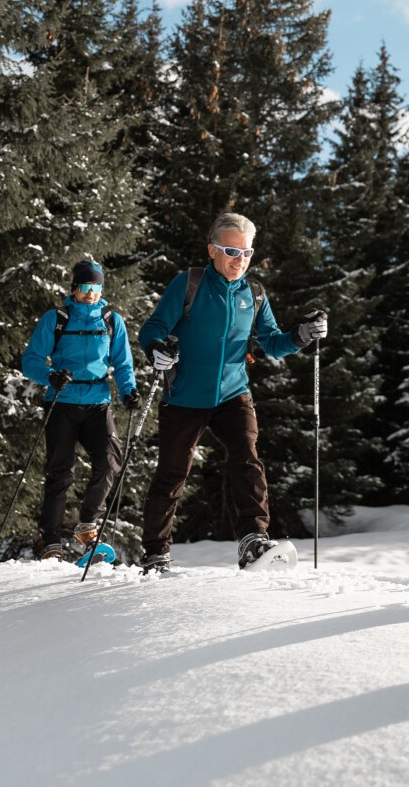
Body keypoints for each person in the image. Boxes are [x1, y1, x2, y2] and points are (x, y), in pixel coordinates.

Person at [137, 212, 327, 573]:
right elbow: (154, 326)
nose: (239, 260)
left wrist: (302, 335)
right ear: (212, 250)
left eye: (247, 253)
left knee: (247, 457)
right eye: (230, 251)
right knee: (173, 473)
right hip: (184, 396)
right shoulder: (189, 283)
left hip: (233, 394)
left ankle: (254, 541)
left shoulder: (253, 294)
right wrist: (157, 347)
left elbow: (272, 342)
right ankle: (155, 553)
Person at [21, 260, 139, 560]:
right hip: (62, 402)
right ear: (74, 288)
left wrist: (128, 393)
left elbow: (123, 364)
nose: (91, 294)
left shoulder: (112, 320)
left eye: (96, 288)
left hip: (97, 403)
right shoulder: (57, 318)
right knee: (60, 472)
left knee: (110, 462)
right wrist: (50, 376)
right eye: (85, 287)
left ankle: (87, 525)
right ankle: (51, 541)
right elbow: (31, 359)